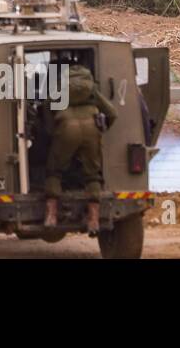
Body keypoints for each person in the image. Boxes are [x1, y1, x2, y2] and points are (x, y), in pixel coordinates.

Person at [44, 65, 117, 234]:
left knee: (54, 170)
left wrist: (51, 130)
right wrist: (103, 129)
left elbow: (46, 106)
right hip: (91, 128)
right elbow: (112, 113)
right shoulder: (91, 89)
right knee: (92, 173)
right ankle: (93, 220)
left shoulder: (61, 88)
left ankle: (51, 216)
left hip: (67, 127)